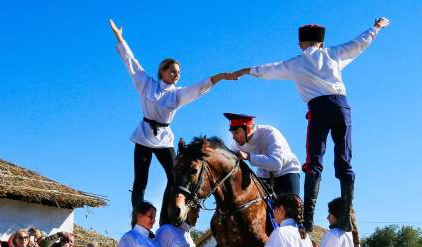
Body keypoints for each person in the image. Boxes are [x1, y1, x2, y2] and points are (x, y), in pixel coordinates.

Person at [234, 17, 390, 232]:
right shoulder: (333, 55)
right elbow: (358, 44)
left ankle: (307, 222)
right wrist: (376, 28)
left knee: (314, 162)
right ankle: (345, 216)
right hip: (341, 107)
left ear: (301, 44)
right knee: (344, 160)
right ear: (322, 43)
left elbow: (269, 70)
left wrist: (247, 70)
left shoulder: (296, 63)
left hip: (318, 110)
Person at [110, 18, 241, 223]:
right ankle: (137, 220)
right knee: (140, 180)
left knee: (174, 178)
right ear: (162, 71)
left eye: (179, 72)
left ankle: (165, 219)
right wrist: (120, 38)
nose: (176, 75)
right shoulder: (146, 84)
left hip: (164, 138)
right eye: (172, 71)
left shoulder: (178, 94)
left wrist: (221, 76)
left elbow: (199, 88)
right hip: (144, 134)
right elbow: (131, 63)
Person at [225, 113, 301, 195]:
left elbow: (276, 164)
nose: (233, 138)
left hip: (286, 172)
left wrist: (249, 156)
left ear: (248, 129)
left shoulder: (270, 133)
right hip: (263, 176)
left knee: (290, 206)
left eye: (236, 133)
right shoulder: (236, 144)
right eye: (232, 134)